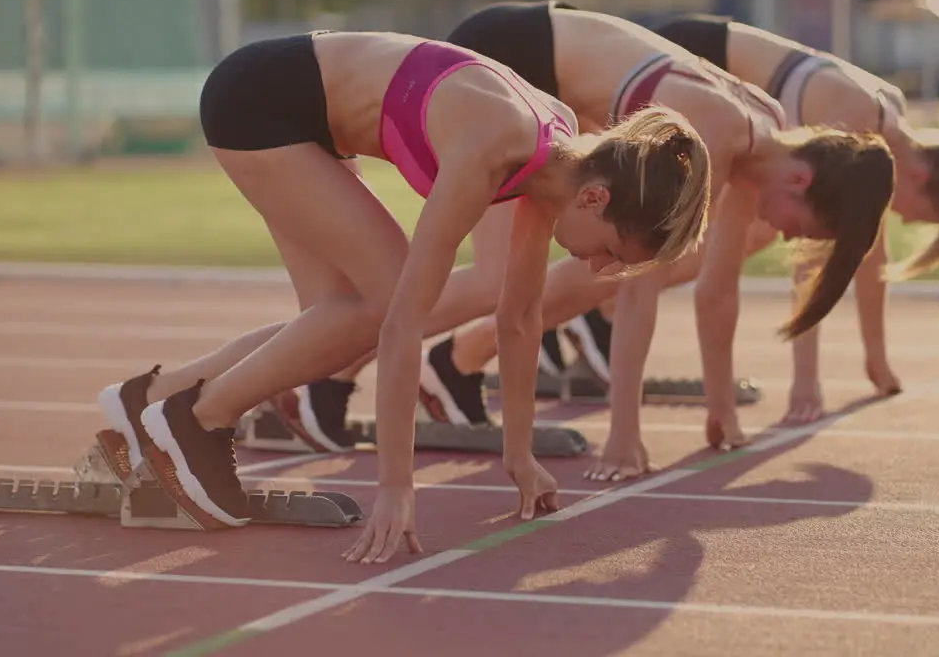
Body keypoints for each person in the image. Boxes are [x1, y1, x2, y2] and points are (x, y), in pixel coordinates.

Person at [92, 29, 713, 564]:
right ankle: (196, 419)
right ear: (596, 199)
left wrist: (518, 454)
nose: (599, 270)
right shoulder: (492, 146)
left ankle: (154, 396)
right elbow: (405, 324)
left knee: (335, 325)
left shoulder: (556, 158)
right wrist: (396, 485)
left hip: (302, 114)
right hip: (261, 101)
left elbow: (520, 317)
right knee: (387, 300)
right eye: (613, 253)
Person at [394, 1, 895, 443]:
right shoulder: (719, 138)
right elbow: (638, 290)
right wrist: (624, 434)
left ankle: (440, 362)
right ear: (800, 181)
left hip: (549, 71)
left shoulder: (760, 143)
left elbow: (717, 291)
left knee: (544, 274)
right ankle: (342, 363)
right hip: (510, 53)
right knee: (497, 280)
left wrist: (720, 409)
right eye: (802, 229)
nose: (786, 236)